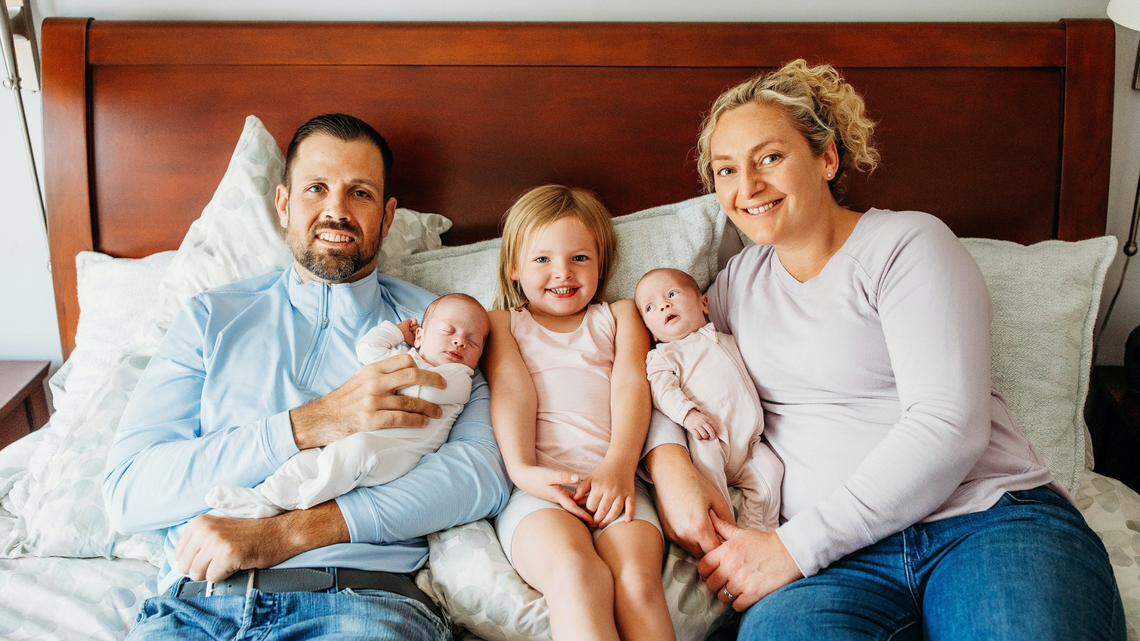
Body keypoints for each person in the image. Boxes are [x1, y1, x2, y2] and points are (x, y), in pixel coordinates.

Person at [643, 60, 1126, 640]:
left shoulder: (907, 244)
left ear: (827, 158)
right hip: (836, 569)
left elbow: (949, 424)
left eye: (769, 157)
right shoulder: (734, 286)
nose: (746, 187)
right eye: (726, 170)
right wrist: (667, 462)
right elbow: (658, 363)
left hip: (983, 521)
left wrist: (793, 549)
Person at [103, 113, 510, 641]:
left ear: (387, 218)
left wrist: (288, 534)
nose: (336, 210)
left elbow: (483, 475)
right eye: (316, 188)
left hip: (358, 604)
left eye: (359, 193)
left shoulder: (444, 328)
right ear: (284, 204)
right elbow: (129, 494)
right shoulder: (211, 318)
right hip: (196, 608)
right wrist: (310, 424)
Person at [485, 185, 675, 641]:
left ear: (602, 263)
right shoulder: (503, 324)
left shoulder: (622, 316)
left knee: (635, 582)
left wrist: (618, 467)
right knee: (576, 573)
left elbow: (633, 386)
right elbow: (513, 393)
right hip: (540, 492)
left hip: (618, 482)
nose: (562, 273)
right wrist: (525, 472)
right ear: (514, 266)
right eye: (542, 259)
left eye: (580, 258)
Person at [205, 293, 491, 519]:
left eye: (473, 342)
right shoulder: (405, 356)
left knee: (355, 453)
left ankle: (302, 502)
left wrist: (398, 365)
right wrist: (396, 332)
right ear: (419, 336)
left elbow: (425, 388)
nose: (458, 341)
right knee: (308, 459)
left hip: (394, 454)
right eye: (447, 331)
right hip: (352, 439)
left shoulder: (460, 379)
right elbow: (367, 349)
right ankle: (264, 499)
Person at [635, 267, 782, 531]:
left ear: (704, 303)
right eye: (650, 307)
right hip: (708, 438)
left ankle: (760, 528)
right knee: (710, 490)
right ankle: (725, 531)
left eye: (671, 294)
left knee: (771, 471)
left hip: (750, 443)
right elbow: (661, 390)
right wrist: (687, 414)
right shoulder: (664, 355)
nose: (663, 305)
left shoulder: (727, 339)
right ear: (652, 332)